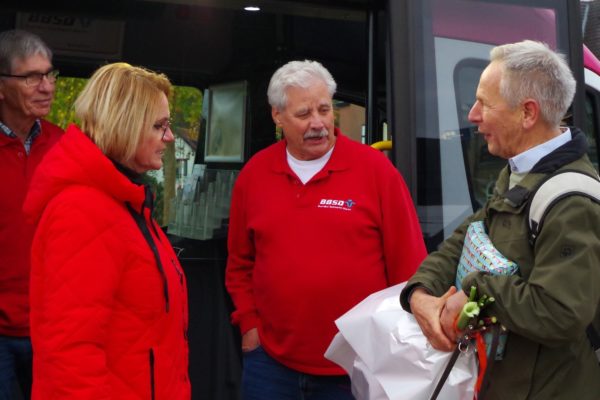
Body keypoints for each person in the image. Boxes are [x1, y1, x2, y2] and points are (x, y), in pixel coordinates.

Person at [400, 40, 600, 399]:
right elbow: (468, 238)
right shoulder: (520, 172)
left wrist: (478, 291)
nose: (472, 115)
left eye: (484, 103)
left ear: (527, 113)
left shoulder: (572, 200)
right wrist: (419, 293)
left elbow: (561, 312)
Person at [225, 59, 427, 399]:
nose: (318, 123)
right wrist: (249, 326)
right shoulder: (254, 176)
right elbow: (239, 263)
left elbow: (410, 266)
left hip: (358, 367)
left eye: (324, 109)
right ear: (277, 116)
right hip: (271, 366)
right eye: (304, 114)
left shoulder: (376, 171)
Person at [22, 63, 190, 399]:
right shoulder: (82, 211)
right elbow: (69, 355)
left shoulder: (126, 202)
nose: (169, 138)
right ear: (125, 127)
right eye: (159, 126)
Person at [0, 29, 63, 400]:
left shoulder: (64, 145)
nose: (47, 86)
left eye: (50, 74)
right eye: (31, 77)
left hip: (52, 326)